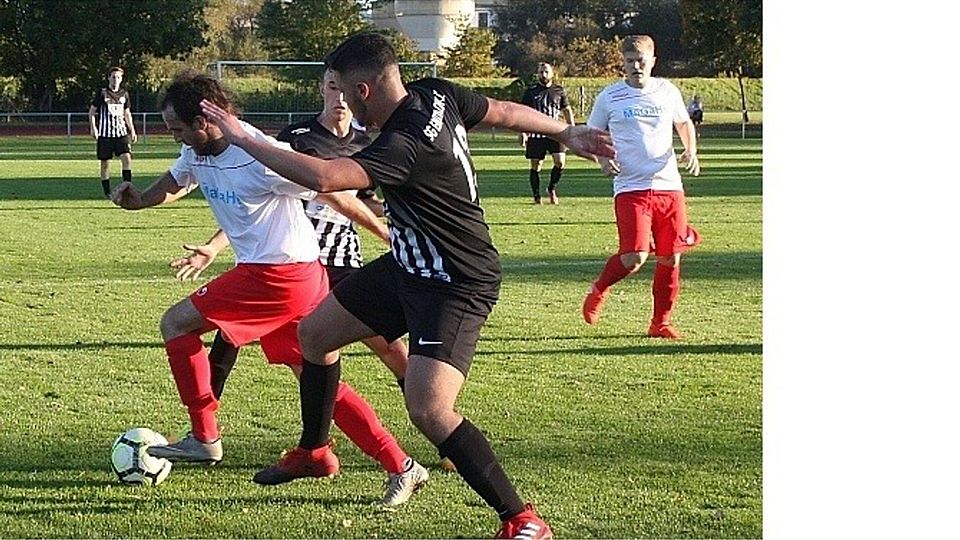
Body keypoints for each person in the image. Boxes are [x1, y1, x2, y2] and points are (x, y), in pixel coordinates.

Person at [200, 32, 613, 539]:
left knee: (429, 410)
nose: (344, 104)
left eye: (346, 92)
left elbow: (329, 177)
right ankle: (314, 451)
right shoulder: (435, 92)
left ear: (366, 90)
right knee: (314, 335)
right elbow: (503, 111)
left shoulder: (404, 143)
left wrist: (245, 138)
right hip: (408, 266)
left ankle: (521, 520)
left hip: (455, 282)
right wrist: (564, 132)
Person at [109, 70, 427, 507]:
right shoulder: (196, 149)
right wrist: (139, 198)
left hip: (278, 276)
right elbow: (176, 181)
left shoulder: (261, 155)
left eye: (178, 129)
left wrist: (383, 231)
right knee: (319, 384)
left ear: (205, 121)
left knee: (176, 323)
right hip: (293, 274)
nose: (175, 138)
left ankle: (204, 437)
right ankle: (401, 465)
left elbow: (333, 193)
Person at [581, 35, 702, 339]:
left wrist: (691, 150)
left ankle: (660, 323)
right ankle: (599, 288)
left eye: (641, 61)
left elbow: (684, 123)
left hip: (669, 186)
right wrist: (603, 161)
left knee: (670, 256)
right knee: (634, 257)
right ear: (622, 63)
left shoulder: (666, 91)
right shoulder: (611, 96)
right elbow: (592, 135)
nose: (636, 66)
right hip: (631, 188)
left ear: (652, 61)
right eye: (630, 61)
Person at [519, 62, 576, 205]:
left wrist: (572, 129)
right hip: (536, 134)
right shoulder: (531, 91)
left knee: (560, 162)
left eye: (546, 72)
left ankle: (551, 188)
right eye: (540, 72)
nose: (543, 75)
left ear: (552, 73)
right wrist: (523, 132)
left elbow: (567, 110)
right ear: (537, 74)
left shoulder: (558, 90)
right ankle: (537, 195)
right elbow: (522, 113)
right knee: (536, 165)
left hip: (555, 132)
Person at [89, 66, 137, 198]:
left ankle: (127, 188)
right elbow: (92, 111)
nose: (116, 79)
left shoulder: (124, 94)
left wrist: (132, 130)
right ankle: (107, 192)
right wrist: (94, 128)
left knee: (126, 158)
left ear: (122, 79)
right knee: (105, 164)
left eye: (118, 77)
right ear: (109, 78)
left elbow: (127, 113)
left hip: (121, 133)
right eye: (113, 77)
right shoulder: (102, 93)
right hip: (105, 135)